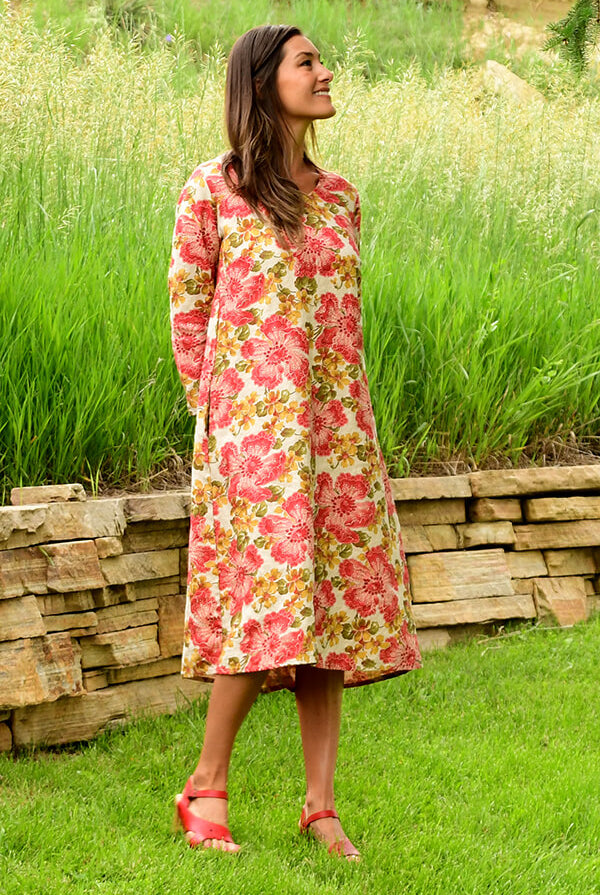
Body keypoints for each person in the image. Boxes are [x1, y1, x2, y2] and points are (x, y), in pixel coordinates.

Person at [168, 24, 421, 860]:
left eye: (321, 60)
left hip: (337, 430)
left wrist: (346, 426)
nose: (324, 72)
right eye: (306, 62)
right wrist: (217, 420)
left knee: (331, 610)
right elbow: (190, 310)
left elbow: (340, 321)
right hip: (253, 434)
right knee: (262, 601)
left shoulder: (341, 194)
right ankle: (205, 786)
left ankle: (320, 807)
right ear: (262, 81)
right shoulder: (215, 187)